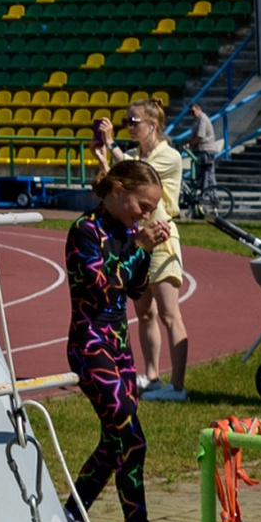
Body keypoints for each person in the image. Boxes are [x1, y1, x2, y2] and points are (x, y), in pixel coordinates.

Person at [62, 158, 173, 522]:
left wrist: (144, 250)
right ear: (119, 189)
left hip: (120, 347)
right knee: (132, 438)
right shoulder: (84, 231)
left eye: (150, 209)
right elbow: (102, 289)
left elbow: (136, 287)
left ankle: (74, 517)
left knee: (118, 442)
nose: (145, 214)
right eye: (142, 205)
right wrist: (138, 247)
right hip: (90, 345)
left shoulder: (126, 231)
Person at [92, 98, 188, 401]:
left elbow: (138, 176)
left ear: (153, 125)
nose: (129, 127)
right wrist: (103, 161)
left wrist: (111, 146)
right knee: (145, 313)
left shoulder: (168, 156)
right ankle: (152, 376)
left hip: (161, 236)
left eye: (134, 122)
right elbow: (117, 186)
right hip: (139, 236)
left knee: (170, 315)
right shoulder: (132, 155)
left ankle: (179, 387)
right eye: (126, 121)